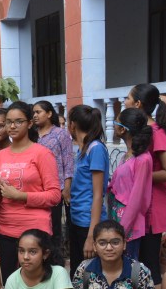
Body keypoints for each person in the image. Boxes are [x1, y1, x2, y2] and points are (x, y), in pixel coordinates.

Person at [125, 84, 166, 289]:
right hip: (140, 209)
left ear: (138, 104)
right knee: (140, 266)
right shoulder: (141, 131)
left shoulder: (156, 132)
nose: (124, 101)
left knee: (150, 267)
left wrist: (140, 174)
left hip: (152, 210)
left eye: (127, 98)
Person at [0, 101, 61, 282]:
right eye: (8, 122)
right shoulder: (0, 156)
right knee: (10, 283)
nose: (12, 126)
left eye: (18, 121)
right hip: (5, 229)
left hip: (35, 230)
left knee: (38, 284)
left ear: (30, 123)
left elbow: (55, 195)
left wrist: (21, 196)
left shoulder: (42, 153)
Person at [67, 105, 109, 278]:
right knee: (77, 272)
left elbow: (98, 194)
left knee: (89, 275)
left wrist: (91, 236)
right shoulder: (82, 148)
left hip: (88, 222)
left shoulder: (96, 148)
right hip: (77, 217)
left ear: (73, 124)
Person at [108, 108, 154, 259]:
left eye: (116, 122)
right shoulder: (128, 155)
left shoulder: (142, 159)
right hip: (117, 219)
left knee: (127, 266)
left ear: (123, 129)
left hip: (129, 226)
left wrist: (122, 231)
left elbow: (136, 199)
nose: (113, 125)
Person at [33, 100, 74, 253]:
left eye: (38, 112)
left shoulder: (60, 134)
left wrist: (67, 188)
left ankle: (56, 259)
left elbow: (68, 161)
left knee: (54, 226)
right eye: (33, 113)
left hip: (55, 188)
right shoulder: (31, 135)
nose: (35, 115)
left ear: (49, 113)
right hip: (36, 188)